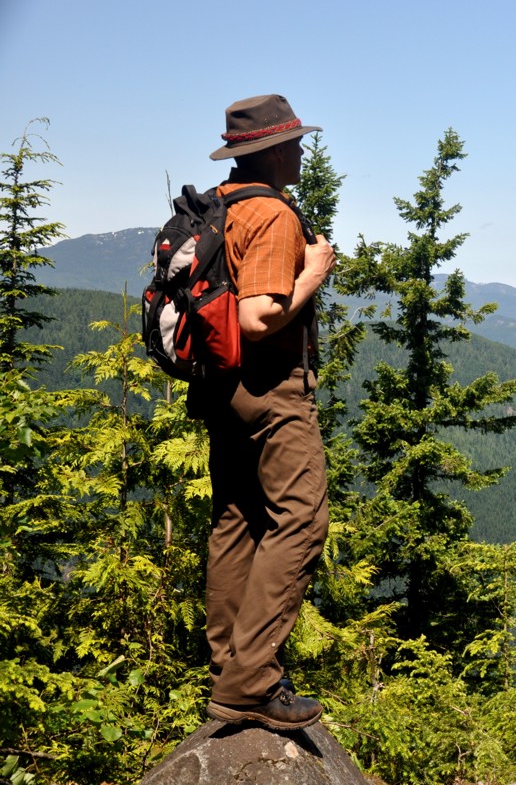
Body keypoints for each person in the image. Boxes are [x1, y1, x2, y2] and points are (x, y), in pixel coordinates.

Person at [193, 94, 336, 730]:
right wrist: (316, 272)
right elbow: (257, 317)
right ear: (273, 150)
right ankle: (250, 680)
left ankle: (228, 664)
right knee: (301, 519)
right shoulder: (273, 216)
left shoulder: (223, 207)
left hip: (221, 387)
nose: (303, 150)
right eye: (296, 142)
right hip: (271, 384)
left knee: (239, 518)